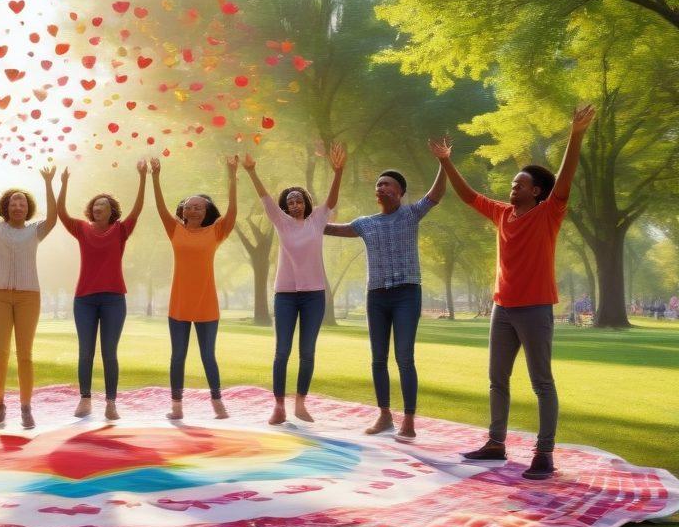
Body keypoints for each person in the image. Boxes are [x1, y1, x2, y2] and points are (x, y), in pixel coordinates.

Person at [433, 105, 596, 479]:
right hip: (502, 308)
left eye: (520, 184)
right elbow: (468, 195)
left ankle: (544, 452)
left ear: (537, 192)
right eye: (513, 183)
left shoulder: (549, 212)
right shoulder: (503, 213)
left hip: (535, 308)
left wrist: (576, 134)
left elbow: (566, 178)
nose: (513, 187)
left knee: (541, 381)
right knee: (497, 379)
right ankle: (495, 443)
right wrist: (445, 162)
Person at [325, 153, 447, 441]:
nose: (381, 188)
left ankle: (409, 420)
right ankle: (384, 416)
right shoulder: (365, 223)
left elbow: (436, 194)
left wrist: (443, 162)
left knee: (404, 357)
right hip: (376, 296)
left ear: (401, 192)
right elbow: (326, 227)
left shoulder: (411, 214)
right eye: (378, 185)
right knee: (378, 359)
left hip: (406, 293)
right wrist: (298, 215)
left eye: (387, 184)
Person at [242, 143, 347, 425]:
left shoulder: (317, 221)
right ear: (285, 206)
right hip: (285, 295)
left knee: (307, 351)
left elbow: (332, 201)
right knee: (282, 350)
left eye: (299, 200)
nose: (295, 204)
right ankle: (278, 406)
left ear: (306, 203)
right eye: (290, 201)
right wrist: (252, 171)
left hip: (314, 295)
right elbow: (265, 199)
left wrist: (338, 171)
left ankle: (301, 403)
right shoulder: (282, 222)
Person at [0, 155, 60, 428]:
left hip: (29, 295)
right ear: (6, 207)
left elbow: (53, 218)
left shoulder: (35, 232)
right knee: (0, 353)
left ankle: (26, 407)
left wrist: (49, 183)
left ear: (28, 207)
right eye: (12, 201)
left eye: (22, 201)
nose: (17, 204)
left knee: (25, 354)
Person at [56, 160, 148, 421]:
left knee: (109, 351)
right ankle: (85, 399)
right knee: (86, 350)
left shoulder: (121, 230)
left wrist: (142, 176)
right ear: (91, 210)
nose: (98, 208)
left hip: (113, 299)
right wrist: (61, 184)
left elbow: (138, 210)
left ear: (111, 211)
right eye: (95, 205)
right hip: (84, 299)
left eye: (103, 205)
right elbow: (61, 212)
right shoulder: (82, 229)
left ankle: (110, 403)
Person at [150, 155, 238, 420]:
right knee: (177, 357)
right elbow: (160, 207)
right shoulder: (175, 229)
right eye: (189, 207)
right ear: (183, 211)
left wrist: (232, 175)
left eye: (199, 207)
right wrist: (155, 177)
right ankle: (176, 407)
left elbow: (233, 211)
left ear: (207, 210)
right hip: (179, 303)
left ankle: (217, 403)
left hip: (206, 303)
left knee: (208, 356)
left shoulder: (217, 231)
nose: (194, 210)